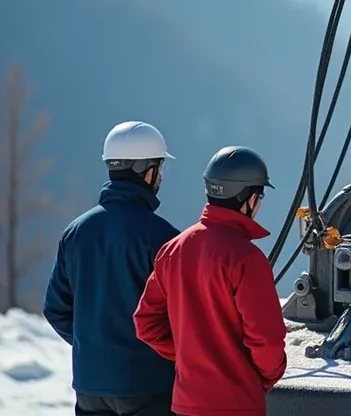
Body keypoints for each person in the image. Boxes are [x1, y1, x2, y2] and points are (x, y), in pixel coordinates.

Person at [134, 146, 286, 416]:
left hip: (186, 402)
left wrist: (188, 355)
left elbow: (146, 324)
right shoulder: (247, 259)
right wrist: (261, 377)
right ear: (247, 198)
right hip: (237, 404)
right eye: (260, 195)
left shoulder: (173, 250)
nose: (260, 203)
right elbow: (267, 341)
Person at [43, 121, 180, 416]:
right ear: (149, 171)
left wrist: (94, 344)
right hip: (149, 385)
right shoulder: (163, 238)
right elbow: (183, 316)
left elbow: (56, 309)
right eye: (160, 168)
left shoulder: (75, 232)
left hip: (90, 387)